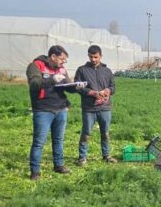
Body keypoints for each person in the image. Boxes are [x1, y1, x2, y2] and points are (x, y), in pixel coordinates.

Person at [26, 45, 86, 180]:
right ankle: (35, 171)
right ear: (53, 56)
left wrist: (76, 87)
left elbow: (67, 86)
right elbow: (34, 84)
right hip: (43, 109)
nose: (63, 62)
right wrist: (51, 80)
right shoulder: (36, 65)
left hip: (61, 108)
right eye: (61, 59)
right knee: (39, 142)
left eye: (65, 60)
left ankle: (58, 165)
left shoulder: (61, 69)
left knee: (58, 139)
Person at [74, 45, 117, 166]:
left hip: (105, 107)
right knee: (86, 132)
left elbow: (113, 87)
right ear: (88, 56)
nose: (93, 59)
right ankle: (82, 157)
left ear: (101, 56)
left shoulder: (107, 71)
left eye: (96, 57)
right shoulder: (82, 70)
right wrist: (91, 93)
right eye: (91, 57)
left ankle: (106, 155)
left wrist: (107, 91)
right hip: (89, 108)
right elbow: (77, 87)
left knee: (105, 132)